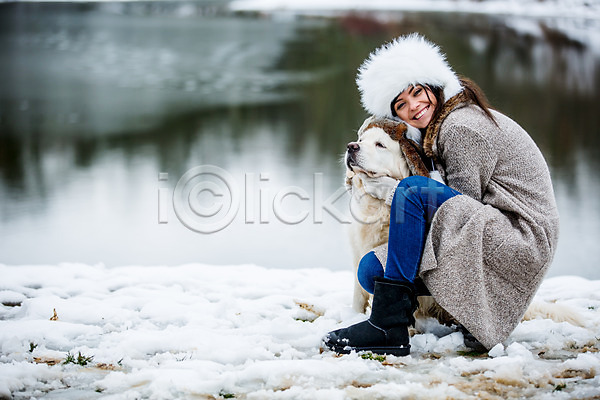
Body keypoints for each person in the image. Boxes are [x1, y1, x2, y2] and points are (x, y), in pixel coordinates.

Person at [324, 33, 559, 356]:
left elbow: (461, 211)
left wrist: (393, 191)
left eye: (417, 93)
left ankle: (388, 328)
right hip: (490, 230)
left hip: (518, 239)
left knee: (410, 190)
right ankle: (390, 320)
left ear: (433, 85)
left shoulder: (461, 127)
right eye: (400, 105)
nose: (414, 107)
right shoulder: (444, 126)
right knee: (371, 270)